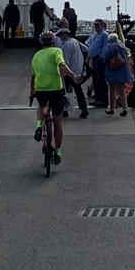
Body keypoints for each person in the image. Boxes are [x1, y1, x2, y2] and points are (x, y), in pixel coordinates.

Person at [29, 30, 77, 164]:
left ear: (41, 43)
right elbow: (62, 66)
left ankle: (39, 125)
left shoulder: (36, 56)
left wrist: (32, 92)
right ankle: (58, 151)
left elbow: (32, 78)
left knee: (42, 105)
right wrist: (73, 76)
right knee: (57, 121)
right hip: (56, 89)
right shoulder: (56, 51)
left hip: (41, 89)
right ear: (53, 41)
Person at [56, 26, 89, 118]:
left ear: (65, 35)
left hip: (69, 72)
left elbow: (66, 62)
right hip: (78, 70)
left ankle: (65, 110)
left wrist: (62, 72)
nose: (60, 37)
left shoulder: (66, 45)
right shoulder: (75, 41)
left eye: (61, 35)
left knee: (66, 91)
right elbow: (86, 49)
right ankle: (84, 109)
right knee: (79, 91)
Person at [103, 28, 133, 115]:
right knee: (121, 91)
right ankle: (124, 108)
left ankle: (112, 108)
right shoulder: (123, 46)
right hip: (123, 71)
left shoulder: (109, 46)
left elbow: (105, 57)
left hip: (112, 71)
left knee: (112, 90)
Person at [86, 19, 110, 110]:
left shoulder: (104, 35)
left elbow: (105, 47)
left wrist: (102, 56)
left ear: (102, 25)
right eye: (95, 25)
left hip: (100, 59)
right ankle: (97, 97)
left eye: (97, 25)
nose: (96, 27)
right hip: (93, 58)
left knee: (101, 79)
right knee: (95, 79)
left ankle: (103, 99)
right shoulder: (94, 35)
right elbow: (88, 44)